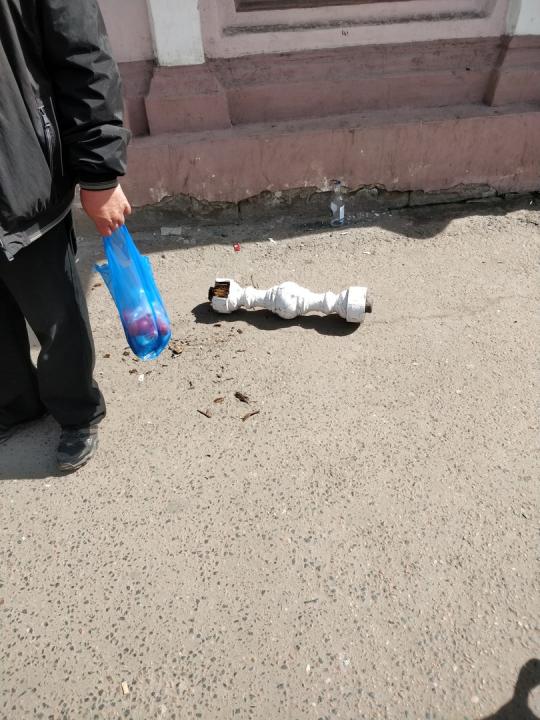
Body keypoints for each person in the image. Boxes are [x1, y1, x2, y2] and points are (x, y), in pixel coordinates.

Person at [0, 0, 131, 471]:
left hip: (23, 175)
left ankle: (76, 412)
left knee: (55, 315)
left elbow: (83, 56)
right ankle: (14, 405)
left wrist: (100, 176)